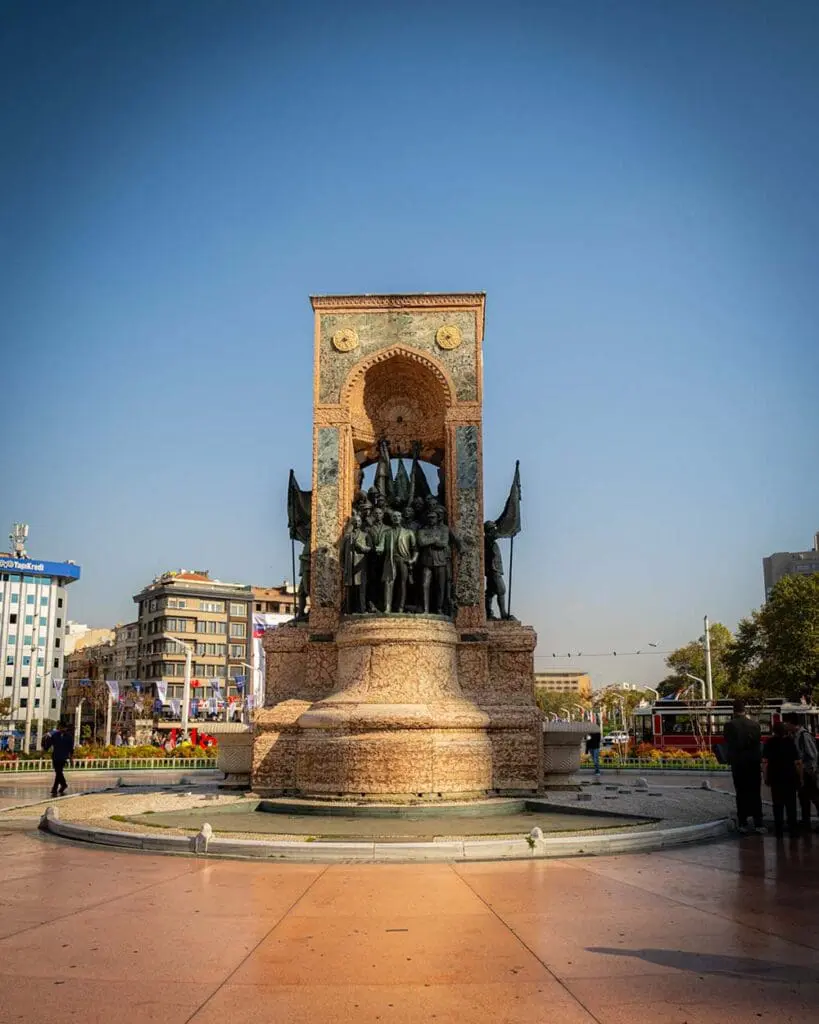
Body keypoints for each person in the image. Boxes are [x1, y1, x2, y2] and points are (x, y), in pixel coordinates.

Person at [724, 699, 766, 835]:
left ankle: (743, 822)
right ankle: (758, 822)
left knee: (741, 792)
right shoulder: (755, 724)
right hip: (753, 763)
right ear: (745, 710)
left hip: (739, 764)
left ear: (733, 710)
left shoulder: (730, 725)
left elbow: (729, 743)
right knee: (755, 792)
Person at [763, 722, 802, 838]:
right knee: (791, 805)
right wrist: (800, 778)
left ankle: (779, 829)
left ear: (774, 731)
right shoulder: (790, 742)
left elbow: (765, 762)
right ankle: (793, 829)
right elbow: (798, 763)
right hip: (790, 777)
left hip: (775, 778)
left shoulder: (769, 743)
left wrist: (766, 777)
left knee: (777, 805)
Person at [783, 712, 819, 831]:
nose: (785, 725)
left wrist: (810, 770)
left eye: (786, 723)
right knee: (803, 798)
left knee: (814, 798)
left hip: (807, 772)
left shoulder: (804, 735)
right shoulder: (793, 735)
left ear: (791, 723)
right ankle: (805, 822)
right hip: (800, 772)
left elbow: (813, 755)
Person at [42, 721, 74, 797]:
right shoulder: (55, 735)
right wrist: (44, 750)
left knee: (58, 771)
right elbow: (48, 745)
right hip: (55, 756)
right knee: (58, 772)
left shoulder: (69, 737)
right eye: (60, 727)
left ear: (66, 728)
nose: (61, 729)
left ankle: (59, 786)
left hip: (63, 757)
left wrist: (71, 758)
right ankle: (61, 786)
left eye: (63, 727)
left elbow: (71, 749)